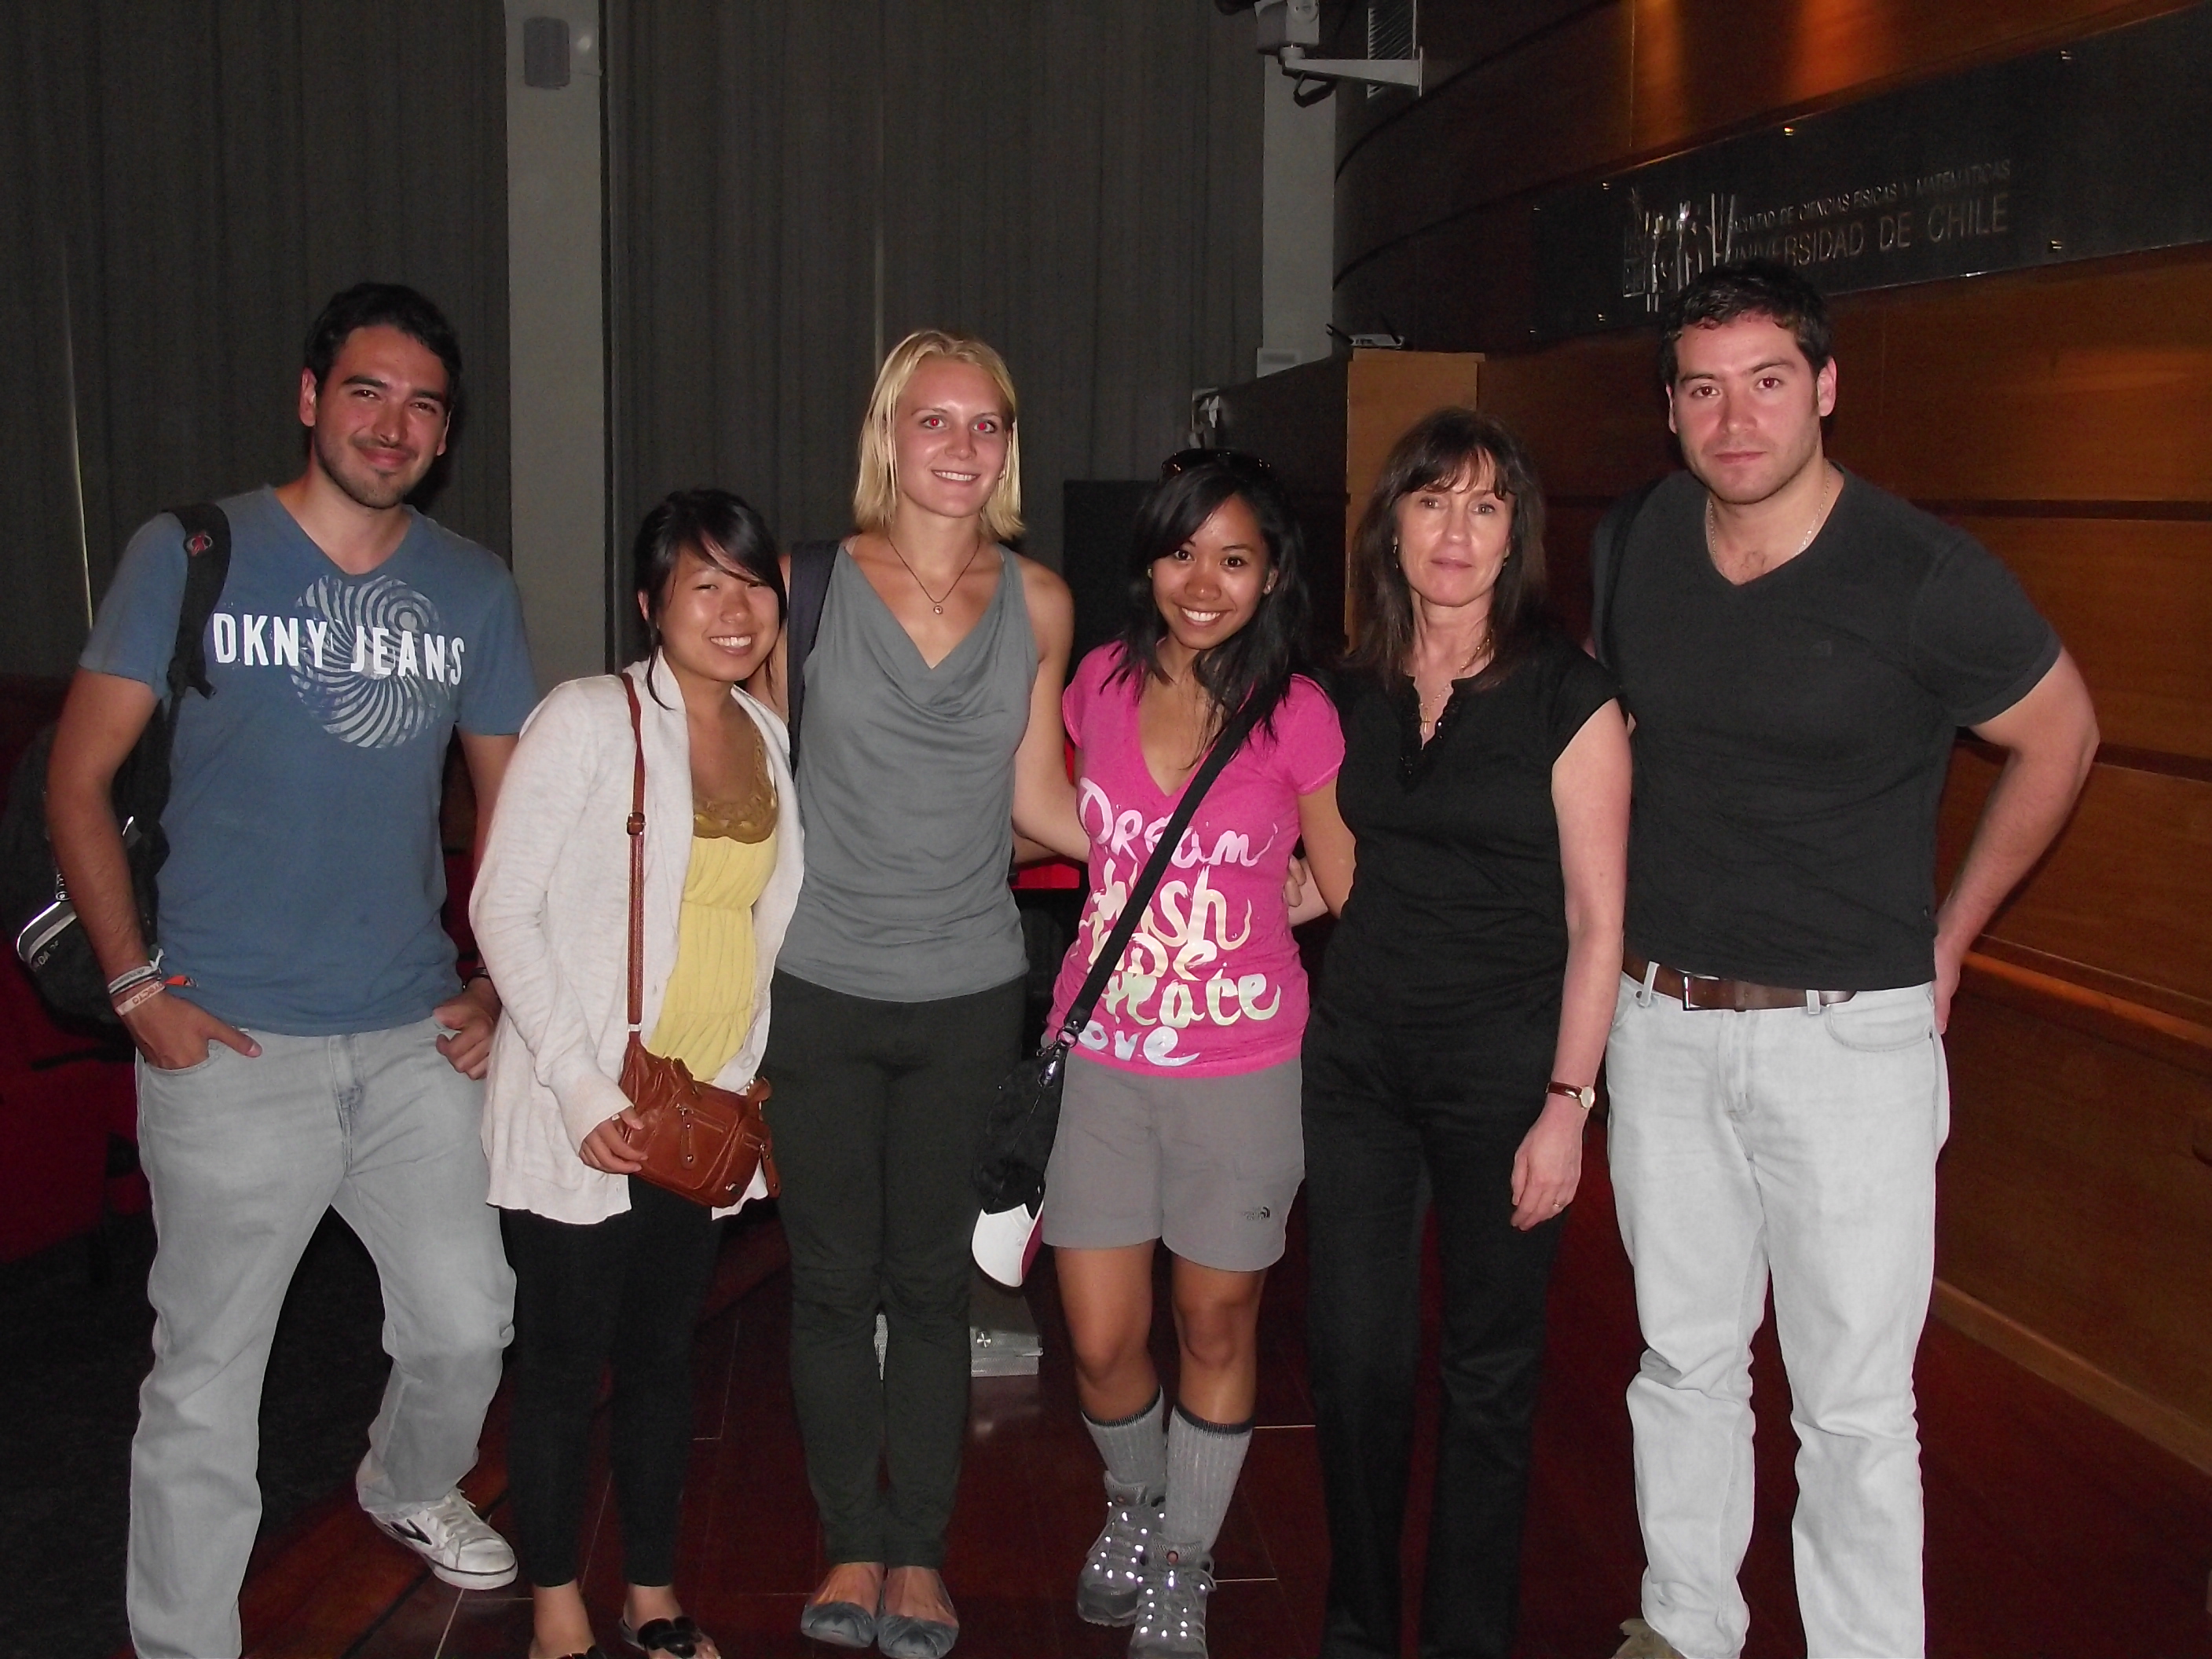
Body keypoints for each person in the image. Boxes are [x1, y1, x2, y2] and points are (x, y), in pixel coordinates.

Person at [1594, 259, 2099, 1659]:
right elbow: (1616, 746)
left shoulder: (1924, 573)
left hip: (1849, 1041)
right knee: (1682, 1361)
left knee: (1856, 1408)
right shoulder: (1637, 541)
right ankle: (1685, 1627)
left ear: (1825, 386)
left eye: (1767, 381)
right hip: (1663, 1020)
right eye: (1703, 389)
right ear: (1671, 409)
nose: (1734, 418)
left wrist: (1953, 937)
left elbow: (2061, 736)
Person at [46, 283, 536, 1659]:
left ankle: (407, 1481)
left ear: (446, 434)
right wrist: (136, 990)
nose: (393, 425)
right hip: (228, 1044)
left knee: (469, 1323)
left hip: (410, 1037)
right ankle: (183, 1643)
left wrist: (494, 988)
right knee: (207, 1380)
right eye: (366, 392)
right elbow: (76, 784)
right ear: (311, 398)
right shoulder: (191, 552)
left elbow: (516, 817)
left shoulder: (472, 588)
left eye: (424, 406)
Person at [760, 329, 1088, 1658]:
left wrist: (1198, 849)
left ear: (1009, 447)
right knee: (834, 1287)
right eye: (935, 419)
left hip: (967, 992)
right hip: (820, 987)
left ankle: (921, 1556)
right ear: (888, 434)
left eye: (987, 423)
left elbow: (1040, 799)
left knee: (936, 1290)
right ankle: (852, 1540)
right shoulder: (804, 585)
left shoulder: (1042, 602)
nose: (963, 445)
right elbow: (748, 781)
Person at [1299, 407, 1630, 1659]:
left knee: (1489, 1372)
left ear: (1515, 536)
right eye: (1431, 500)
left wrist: (1569, 1103)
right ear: (1390, 526)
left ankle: (1467, 1638)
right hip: (1359, 1066)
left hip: (1505, 1071)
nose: (1455, 531)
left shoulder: (1570, 697)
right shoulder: (1350, 688)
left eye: (1485, 506)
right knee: (1353, 1359)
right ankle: (1359, 1626)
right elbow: (1335, 864)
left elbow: (1599, 922)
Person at [471, 490, 804, 1659]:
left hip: (694, 1114)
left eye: (753, 584)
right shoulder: (586, 718)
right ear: (650, 602)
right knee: (564, 1365)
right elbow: (500, 907)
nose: (734, 609)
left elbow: (758, 928)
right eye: (704, 584)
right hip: (590, 1111)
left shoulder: (765, 736)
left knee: (664, 1361)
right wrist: (578, 1087)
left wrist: (741, 1076)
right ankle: (556, 1599)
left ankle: (651, 1592)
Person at [1043, 449, 1353, 1659]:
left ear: (1272, 574)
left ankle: (1184, 1557)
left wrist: (1280, 900)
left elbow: (1347, 878)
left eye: (1234, 558)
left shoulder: (1299, 710)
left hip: (1244, 1070)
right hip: (1102, 1059)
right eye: (1182, 553)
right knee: (1102, 1338)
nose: (1204, 582)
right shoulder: (1099, 684)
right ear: (1150, 562)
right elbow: (1091, 835)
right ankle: (1136, 1499)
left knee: (1217, 1326)